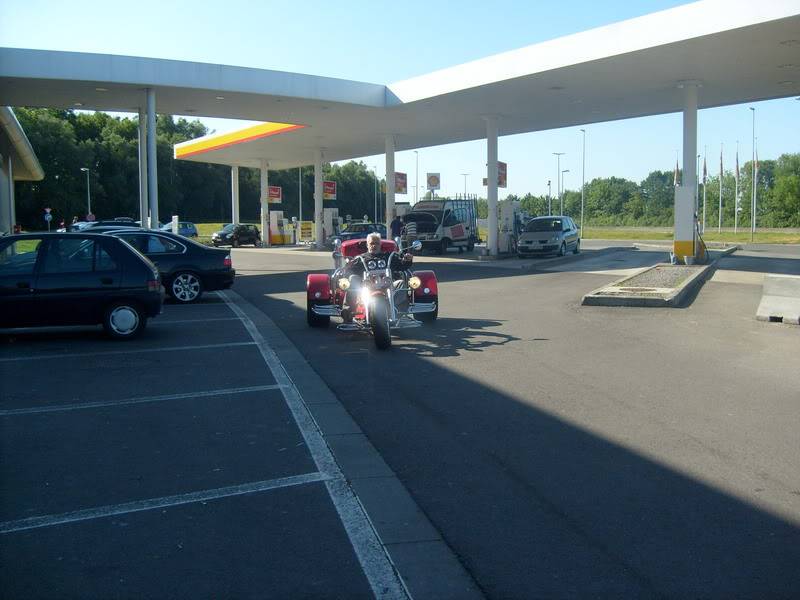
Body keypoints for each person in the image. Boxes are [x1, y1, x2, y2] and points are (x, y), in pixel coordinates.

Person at [341, 232, 413, 320]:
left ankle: (396, 309)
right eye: (371, 243)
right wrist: (348, 265)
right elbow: (348, 271)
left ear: (380, 244)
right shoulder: (360, 258)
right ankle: (348, 310)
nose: (374, 246)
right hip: (366, 287)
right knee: (353, 278)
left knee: (401, 283)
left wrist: (407, 260)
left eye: (376, 243)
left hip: (387, 286)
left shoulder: (389, 256)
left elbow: (402, 266)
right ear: (367, 245)